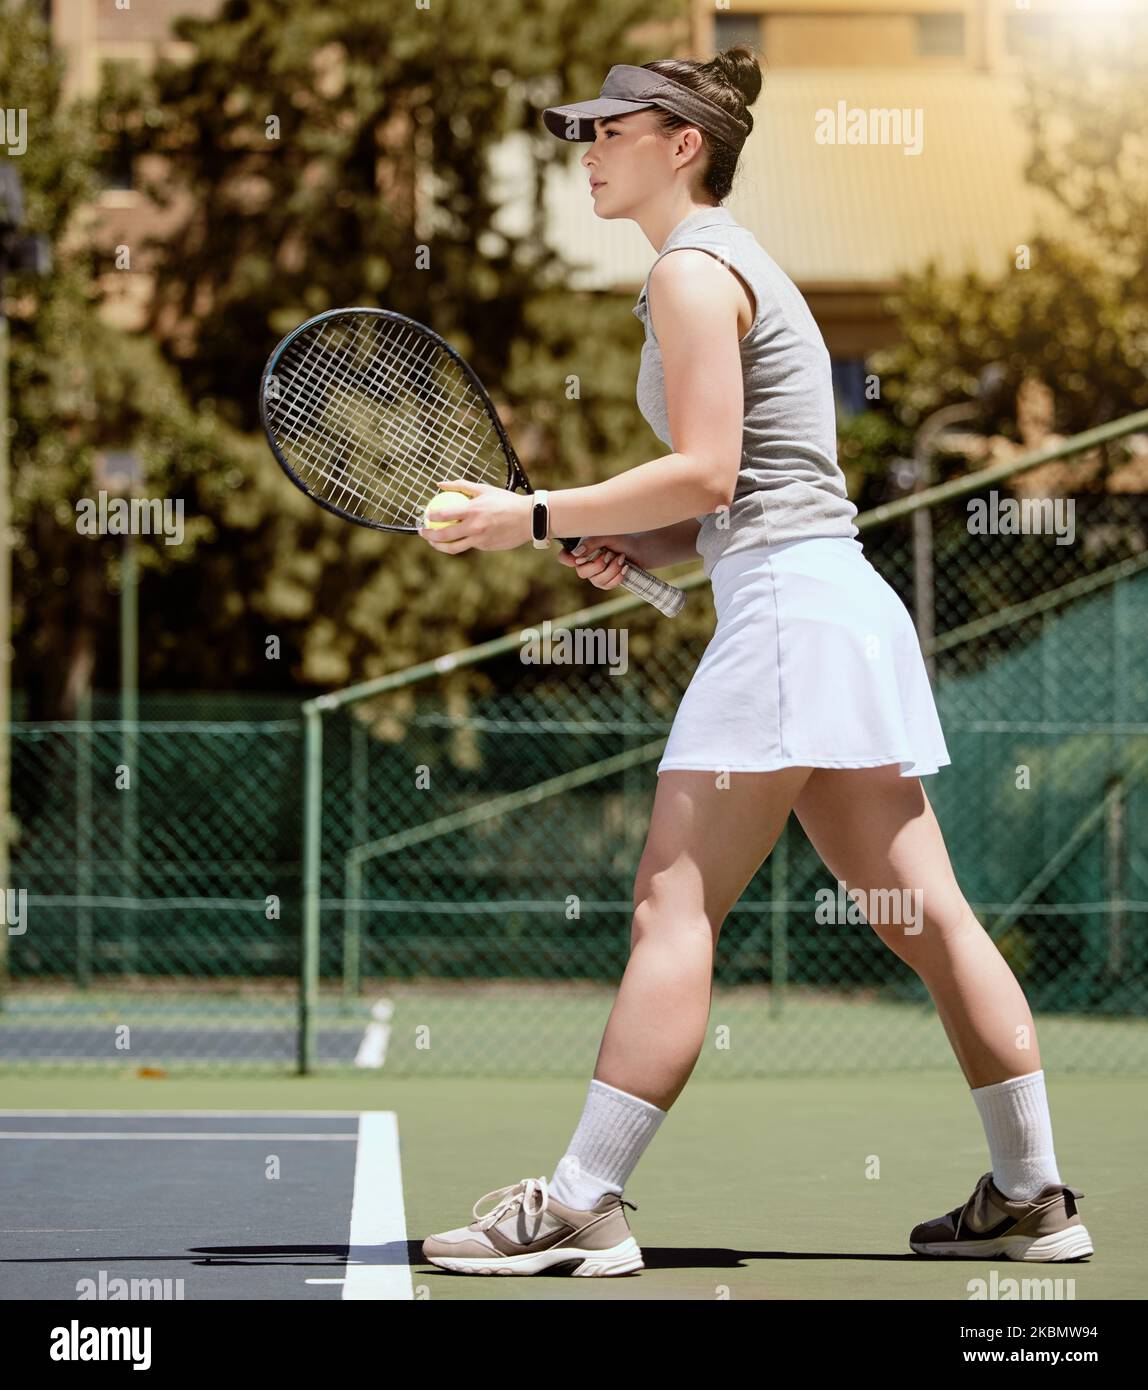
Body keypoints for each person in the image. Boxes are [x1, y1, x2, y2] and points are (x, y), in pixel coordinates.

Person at [415, 48, 1093, 1276]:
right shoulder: (732, 264)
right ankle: (1034, 1192)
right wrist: (614, 534)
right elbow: (730, 497)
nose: (587, 149)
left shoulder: (689, 268)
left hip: (789, 614)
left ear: (681, 145)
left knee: (671, 908)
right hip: (827, 605)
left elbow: (712, 472)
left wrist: (530, 513)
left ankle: (579, 1204)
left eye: (606, 131)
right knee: (930, 920)